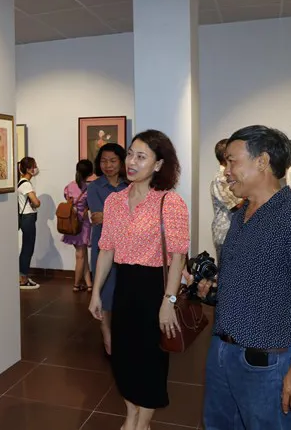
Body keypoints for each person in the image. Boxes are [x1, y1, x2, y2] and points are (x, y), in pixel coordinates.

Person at [199, 125, 291, 430]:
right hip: (222, 351)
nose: (226, 171)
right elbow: (252, 274)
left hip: (265, 362)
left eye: (232, 161)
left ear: (262, 161)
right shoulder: (240, 215)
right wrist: (215, 287)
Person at [89, 130, 189, 430]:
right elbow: (106, 250)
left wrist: (169, 301)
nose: (131, 162)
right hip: (124, 286)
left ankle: (142, 423)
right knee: (123, 357)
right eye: (131, 154)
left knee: (150, 360)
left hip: (154, 288)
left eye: (141, 157)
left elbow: (178, 258)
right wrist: (96, 293)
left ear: (158, 165)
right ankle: (131, 413)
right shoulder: (115, 201)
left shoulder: (169, 202)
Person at [87, 143, 128, 356]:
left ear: (121, 162)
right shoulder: (94, 187)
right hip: (102, 245)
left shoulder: (130, 186)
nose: (108, 165)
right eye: (103, 161)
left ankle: (122, 333)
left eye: (113, 160)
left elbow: (134, 217)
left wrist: (109, 216)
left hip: (128, 246)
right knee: (104, 289)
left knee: (124, 289)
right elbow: (97, 218)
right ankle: (106, 334)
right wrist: (124, 216)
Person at [61, 159, 94, 292]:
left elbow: (67, 200)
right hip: (82, 224)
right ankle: (76, 284)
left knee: (82, 254)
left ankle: (89, 284)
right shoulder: (89, 189)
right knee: (81, 255)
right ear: (90, 173)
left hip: (71, 222)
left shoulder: (69, 186)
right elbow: (91, 205)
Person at [210, 139, 243, 262]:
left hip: (232, 232)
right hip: (225, 234)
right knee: (227, 270)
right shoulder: (221, 178)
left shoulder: (230, 176)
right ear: (226, 156)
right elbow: (237, 206)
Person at [18, 157, 41, 290]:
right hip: (28, 217)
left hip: (25, 217)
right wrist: (38, 202)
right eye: (34, 166)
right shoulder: (26, 184)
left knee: (27, 247)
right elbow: (36, 202)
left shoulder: (21, 182)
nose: (35, 169)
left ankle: (23, 276)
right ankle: (23, 278)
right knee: (28, 248)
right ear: (28, 169)